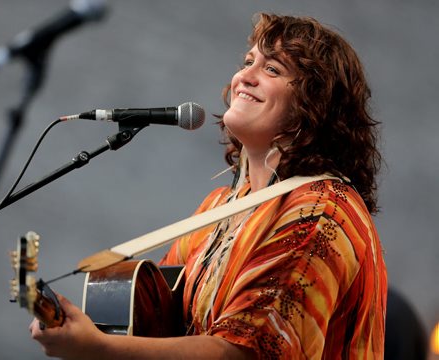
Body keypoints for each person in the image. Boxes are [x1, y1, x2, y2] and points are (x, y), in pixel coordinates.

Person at [30, 12, 387, 359]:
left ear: (316, 105)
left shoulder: (320, 213)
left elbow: (244, 352)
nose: (244, 76)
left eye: (272, 69)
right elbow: (155, 317)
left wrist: (99, 348)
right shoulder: (218, 209)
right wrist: (76, 327)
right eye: (248, 61)